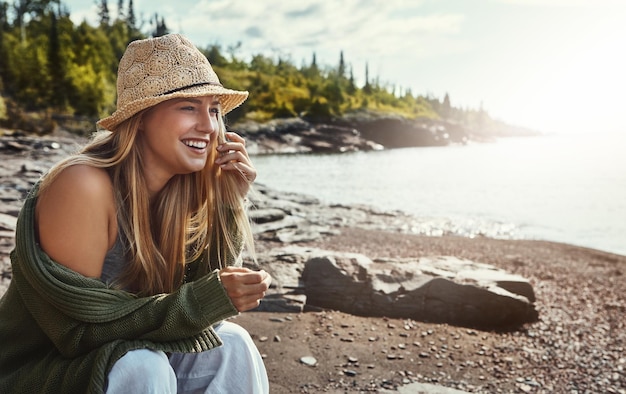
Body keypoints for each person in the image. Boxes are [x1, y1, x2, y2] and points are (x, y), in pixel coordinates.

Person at [0, 33, 272, 393]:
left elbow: (204, 310)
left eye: (214, 110)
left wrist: (228, 202)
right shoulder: (83, 185)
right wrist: (203, 300)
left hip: (121, 364)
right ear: (141, 118)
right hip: (35, 374)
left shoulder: (182, 190)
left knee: (231, 344)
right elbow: (76, 334)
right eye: (189, 107)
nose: (208, 126)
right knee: (143, 365)